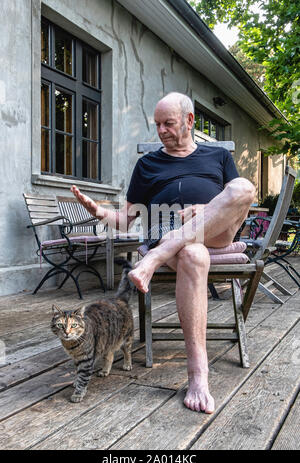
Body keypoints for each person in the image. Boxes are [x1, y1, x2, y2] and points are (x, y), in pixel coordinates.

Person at [71, 92, 255, 414]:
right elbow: (125, 219)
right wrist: (99, 211)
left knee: (243, 187)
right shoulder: (147, 165)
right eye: (157, 124)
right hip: (173, 236)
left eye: (168, 123)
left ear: (189, 120)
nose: (161, 131)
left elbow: (238, 203)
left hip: (215, 234)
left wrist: (206, 210)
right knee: (193, 254)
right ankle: (198, 374)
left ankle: (154, 258)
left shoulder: (218, 158)